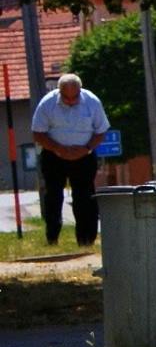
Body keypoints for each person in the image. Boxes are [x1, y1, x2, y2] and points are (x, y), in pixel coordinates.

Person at [30, 73, 108, 246]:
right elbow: (38, 133)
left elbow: (101, 131)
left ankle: (86, 240)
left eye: (75, 97)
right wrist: (58, 148)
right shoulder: (47, 104)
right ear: (59, 92)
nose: (71, 101)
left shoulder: (92, 102)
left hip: (84, 156)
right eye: (67, 97)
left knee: (85, 198)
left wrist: (86, 149)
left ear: (80, 90)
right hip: (54, 155)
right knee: (53, 197)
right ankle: (52, 239)